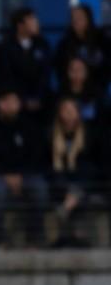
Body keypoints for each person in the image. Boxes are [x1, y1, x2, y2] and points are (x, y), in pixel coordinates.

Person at [0, 89, 48, 247]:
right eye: (7, 101)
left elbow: (36, 155)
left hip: (26, 174)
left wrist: (21, 174)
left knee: (39, 187)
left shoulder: (28, 127)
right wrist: (5, 175)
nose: (12, 105)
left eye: (14, 101)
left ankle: (35, 239)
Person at [49, 98, 95, 247]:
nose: (68, 114)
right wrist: (67, 190)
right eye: (65, 110)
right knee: (72, 198)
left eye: (72, 110)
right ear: (59, 114)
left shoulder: (88, 136)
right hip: (60, 188)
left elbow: (91, 168)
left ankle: (75, 237)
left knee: (79, 198)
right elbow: (51, 170)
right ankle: (74, 238)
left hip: (83, 186)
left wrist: (75, 191)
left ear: (78, 114)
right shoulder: (50, 137)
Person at [1, 7, 51, 122]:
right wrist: (22, 99)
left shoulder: (42, 44)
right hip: (16, 97)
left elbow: (45, 74)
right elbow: (7, 75)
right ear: (20, 25)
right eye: (32, 20)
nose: (36, 23)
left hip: (40, 97)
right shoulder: (7, 46)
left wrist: (38, 97)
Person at [55, 4, 107, 93]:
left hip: (97, 91)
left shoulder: (101, 39)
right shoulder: (65, 43)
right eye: (73, 18)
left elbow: (107, 65)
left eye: (79, 17)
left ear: (88, 19)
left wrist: (99, 86)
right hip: (72, 91)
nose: (75, 21)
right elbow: (59, 67)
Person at [58, 57, 104, 123]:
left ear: (86, 72)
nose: (76, 73)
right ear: (67, 72)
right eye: (73, 70)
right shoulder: (61, 93)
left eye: (80, 70)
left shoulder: (96, 94)